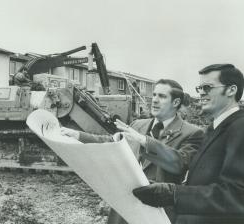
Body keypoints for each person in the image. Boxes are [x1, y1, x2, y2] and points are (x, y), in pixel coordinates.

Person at [61, 79, 203, 223]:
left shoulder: (192, 133)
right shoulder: (138, 125)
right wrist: (78, 135)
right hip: (125, 206)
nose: (154, 100)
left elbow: (179, 163)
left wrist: (145, 141)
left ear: (176, 102)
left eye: (162, 96)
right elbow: (113, 142)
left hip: (158, 211)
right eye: (154, 95)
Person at [132, 64, 244, 224]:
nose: (201, 93)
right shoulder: (215, 128)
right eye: (200, 88)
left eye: (207, 87)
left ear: (231, 90)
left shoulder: (240, 127)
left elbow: (237, 195)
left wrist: (174, 194)